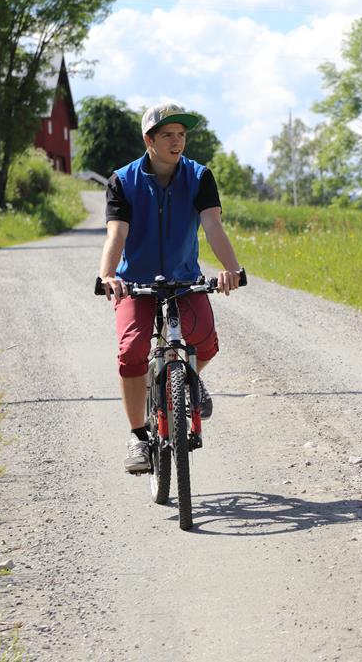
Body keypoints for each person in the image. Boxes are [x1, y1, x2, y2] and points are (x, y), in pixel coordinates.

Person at [98, 103, 243, 473]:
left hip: (184, 279)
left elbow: (212, 226)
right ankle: (138, 438)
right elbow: (117, 232)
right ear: (149, 139)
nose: (177, 142)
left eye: (181, 135)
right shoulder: (123, 180)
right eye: (167, 135)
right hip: (136, 282)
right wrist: (108, 275)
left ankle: (189, 376)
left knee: (206, 340)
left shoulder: (199, 176)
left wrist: (231, 269)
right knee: (132, 351)